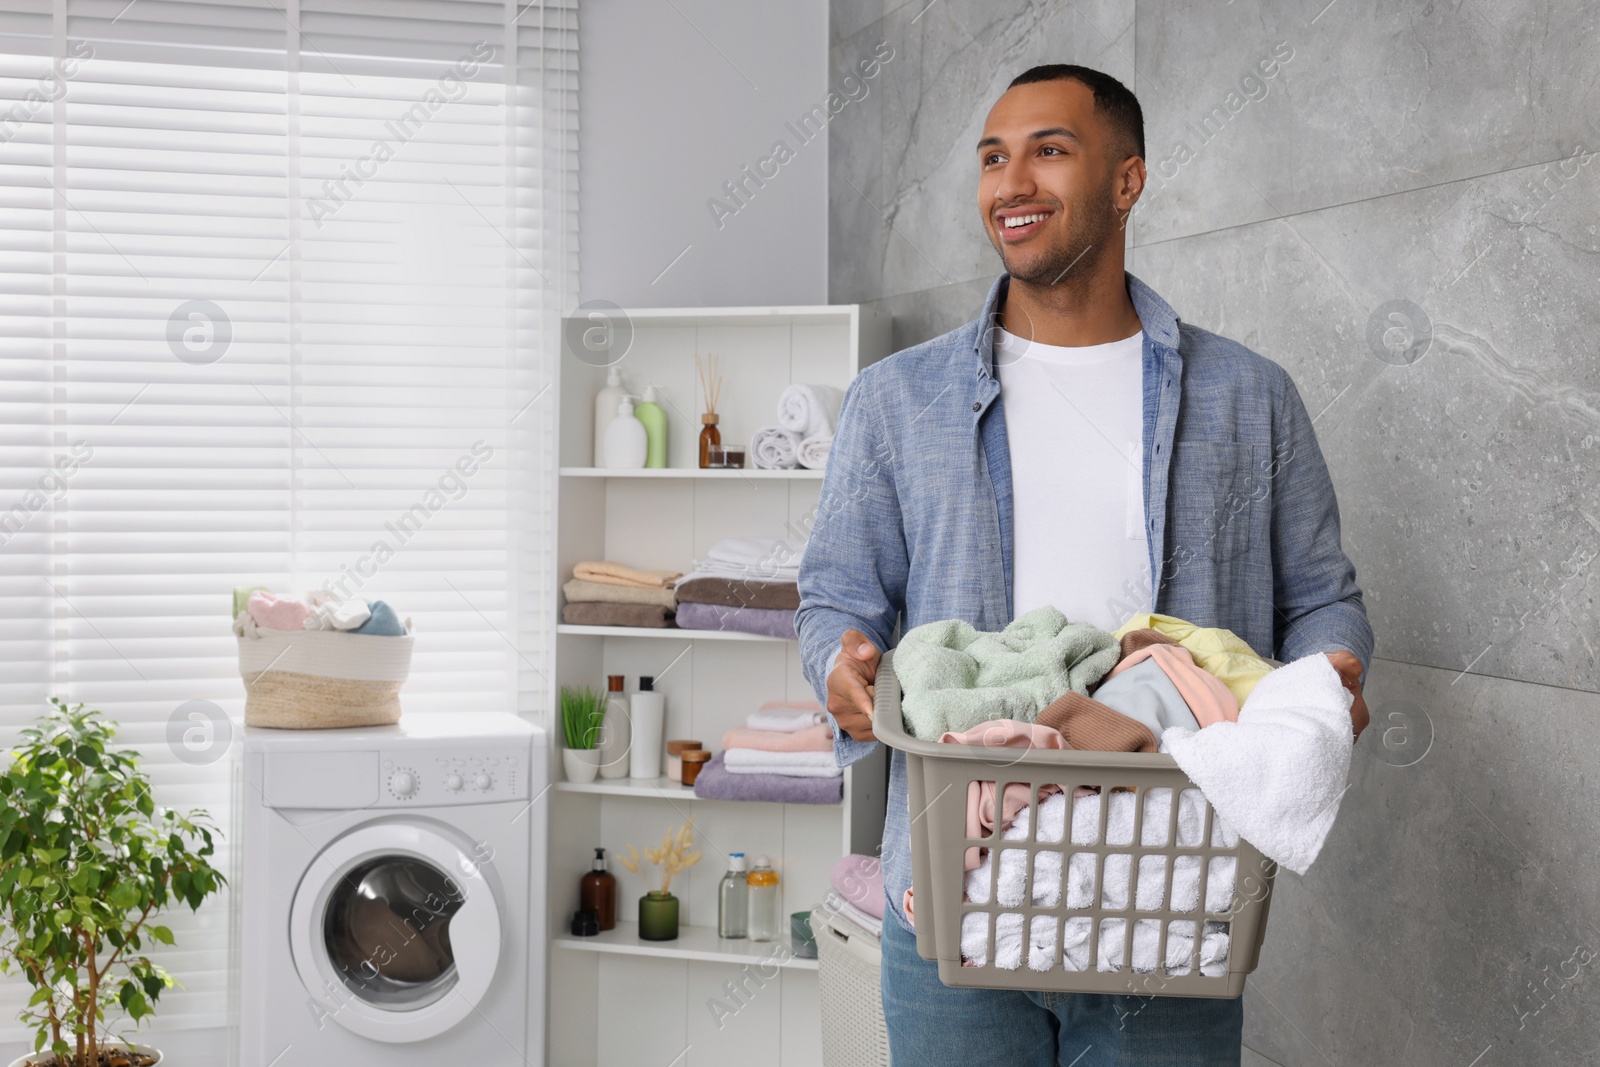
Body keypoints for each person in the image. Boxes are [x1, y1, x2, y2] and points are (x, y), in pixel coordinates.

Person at [795, 64, 1374, 1066]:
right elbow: (836, 598)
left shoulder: (1250, 398)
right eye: (992, 157)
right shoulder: (895, 402)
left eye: (1048, 150)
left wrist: (1330, 681)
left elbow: (1324, 602)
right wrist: (837, 668)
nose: (1010, 182)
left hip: (1166, 898)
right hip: (952, 897)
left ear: (1127, 180)